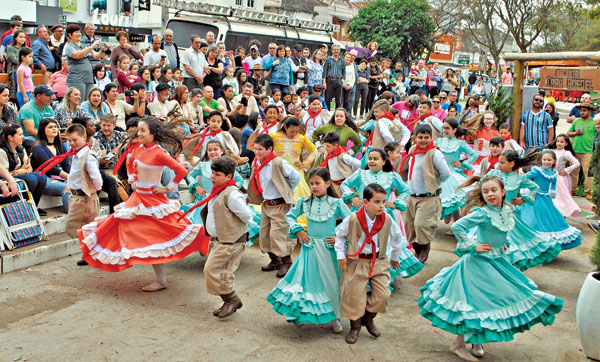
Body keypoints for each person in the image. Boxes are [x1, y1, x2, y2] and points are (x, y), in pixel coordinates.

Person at [418, 175, 563, 362]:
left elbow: (504, 230)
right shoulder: (483, 213)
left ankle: (476, 341)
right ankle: (460, 344)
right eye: (485, 192)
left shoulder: (508, 209)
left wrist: (503, 243)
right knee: (472, 303)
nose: (489, 194)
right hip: (478, 262)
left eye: (494, 190)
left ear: (503, 192)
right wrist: (472, 246)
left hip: (498, 260)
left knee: (490, 301)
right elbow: (459, 226)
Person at [78, 116, 207, 291]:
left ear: (153, 133)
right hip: (137, 199)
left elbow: (181, 170)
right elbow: (130, 162)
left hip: (154, 201)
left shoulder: (159, 152)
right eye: (138, 130)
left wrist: (166, 188)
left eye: (142, 130)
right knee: (121, 227)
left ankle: (197, 248)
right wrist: (132, 179)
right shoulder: (137, 148)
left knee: (159, 235)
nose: (139, 133)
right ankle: (158, 278)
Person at [267, 167, 350, 331]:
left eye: (317, 183)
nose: (314, 186)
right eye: (311, 183)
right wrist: (298, 230)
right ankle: (303, 312)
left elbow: (351, 220)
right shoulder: (304, 202)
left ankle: (335, 317)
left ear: (327, 183)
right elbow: (289, 216)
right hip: (309, 248)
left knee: (331, 283)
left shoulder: (336, 203)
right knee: (306, 282)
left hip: (329, 250)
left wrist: (337, 235)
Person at [334, 183, 403, 344]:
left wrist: (394, 255)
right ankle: (355, 327)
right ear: (365, 202)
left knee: (383, 295)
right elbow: (340, 236)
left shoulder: (386, 218)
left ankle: (368, 317)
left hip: (379, 261)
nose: (381, 206)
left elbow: (397, 237)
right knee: (354, 296)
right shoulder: (353, 218)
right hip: (357, 261)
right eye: (377, 202)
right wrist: (340, 255)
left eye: (383, 202)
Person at [193, 156, 254, 318]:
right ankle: (229, 300)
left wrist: (234, 230)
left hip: (230, 241)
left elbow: (247, 215)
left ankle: (231, 299)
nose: (212, 177)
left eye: (217, 174)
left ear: (228, 177)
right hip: (218, 240)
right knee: (221, 272)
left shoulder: (232, 194)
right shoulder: (217, 191)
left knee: (215, 270)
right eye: (212, 173)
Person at [486, 150, 562, 271]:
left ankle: (505, 271)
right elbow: (481, 186)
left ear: (512, 164)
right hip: (491, 214)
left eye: (502, 162)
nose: (499, 165)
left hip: (510, 215)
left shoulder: (518, 178)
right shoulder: (493, 174)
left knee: (510, 245)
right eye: (499, 162)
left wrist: (523, 199)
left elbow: (535, 188)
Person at [248, 134, 301, 278]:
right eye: (255, 149)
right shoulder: (256, 162)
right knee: (265, 235)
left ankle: (287, 262)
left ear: (270, 149)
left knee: (279, 235)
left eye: (260, 149)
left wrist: (286, 190)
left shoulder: (278, 163)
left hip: (280, 205)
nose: (257, 152)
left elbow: (296, 177)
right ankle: (275, 260)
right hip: (266, 204)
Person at [401, 124, 451, 263]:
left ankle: (424, 248)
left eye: (426, 137)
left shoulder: (435, 153)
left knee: (421, 224)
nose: (423, 140)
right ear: (415, 138)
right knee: (410, 226)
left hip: (428, 197)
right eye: (420, 137)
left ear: (431, 138)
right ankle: (417, 249)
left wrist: (433, 181)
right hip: (412, 195)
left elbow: (446, 173)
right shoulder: (413, 150)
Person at [519, 150, 583, 250]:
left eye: (549, 160)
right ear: (541, 160)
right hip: (536, 197)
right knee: (534, 217)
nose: (546, 162)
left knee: (550, 217)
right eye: (544, 159)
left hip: (546, 197)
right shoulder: (537, 171)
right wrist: (528, 187)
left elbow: (553, 183)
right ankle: (532, 243)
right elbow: (525, 177)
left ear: (554, 161)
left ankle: (546, 244)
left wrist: (552, 191)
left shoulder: (553, 173)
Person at [435, 117, 478, 222]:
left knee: (456, 198)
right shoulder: (439, 141)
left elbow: (474, 155)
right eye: (444, 128)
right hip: (440, 173)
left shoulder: (460, 143)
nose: (445, 130)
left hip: (453, 173)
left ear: (454, 130)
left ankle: (456, 225)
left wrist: (463, 164)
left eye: (447, 128)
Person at [0, 124, 47, 214]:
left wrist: (21, 171)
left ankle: (33, 206)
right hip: (7, 179)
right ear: (10, 137)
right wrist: (22, 170)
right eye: (20, 134)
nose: (23, 137)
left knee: (41, 176)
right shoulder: (2, 151)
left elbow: (30, 168)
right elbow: (6, 174)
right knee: (31, 179)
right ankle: (23, 207)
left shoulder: (21, 148)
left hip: (18, 175)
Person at [30, 118, 70, 212]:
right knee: (66, 188)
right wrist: (69, 176)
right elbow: (50, 167)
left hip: (57, 178)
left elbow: (66, 165)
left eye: (55, 127)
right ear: (43, 129)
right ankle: (72, 215)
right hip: (43, 179)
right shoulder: (38, 147)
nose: (54, 129)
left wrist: (73, 177)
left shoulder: (60, 145)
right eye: (50, 127)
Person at [64, 24, 108, 98]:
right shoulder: (69, 46)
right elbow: (76, 55)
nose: (79, 34)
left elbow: (96, 56)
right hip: (77, 79)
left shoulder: (83, 46)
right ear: (70, 34)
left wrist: (103, 50)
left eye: (79, 32)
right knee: (78, 101)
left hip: (88, 78)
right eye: (76, 32)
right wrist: (91, 47)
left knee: (88, 101)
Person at [547, 134, 581, 217]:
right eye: (558, 141)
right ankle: (553, 215)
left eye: (562, 142)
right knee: (552, 196)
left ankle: (563, 214)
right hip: (551, 177)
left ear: (566, 143)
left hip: (561, 178)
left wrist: (566, 170)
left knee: (562, 197)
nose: (559, 143)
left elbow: (577, 163)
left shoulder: (566, 153)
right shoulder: (552, 151)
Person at [567, 102, 596, 199]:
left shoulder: (593, 122)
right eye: (581, 110)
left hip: (588, 151)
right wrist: (576, 133)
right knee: (574, 171)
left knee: (587, 172)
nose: (582, 112)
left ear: (589, 111)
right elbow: (568, 133)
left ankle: (588, 191)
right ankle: (573, 189)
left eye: (584, 111)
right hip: (575, 150)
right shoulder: (576, 121)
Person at [319, 132, 361, 197]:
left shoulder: (343, 156)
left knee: (348, 203)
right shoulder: (327, 154)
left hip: (345, 185)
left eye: (328, 146)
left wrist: (353, 175)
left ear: (335, 146)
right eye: (325, 146)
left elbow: (358, 163)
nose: (326, 148)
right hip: (334, 184)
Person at [6, 29, 27, 97]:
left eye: (24, 37)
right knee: (14, 87)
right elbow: (14, 60)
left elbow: (31, 61)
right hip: (14, 70)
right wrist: (24, 61)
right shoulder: (10, 48)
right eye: (20, 37)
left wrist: (25, 61)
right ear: (15, 38)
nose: (22, 39)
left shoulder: (26, 49)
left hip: (26, 70)